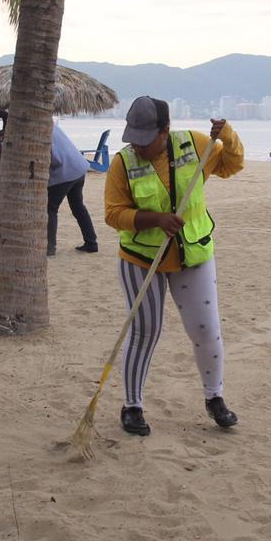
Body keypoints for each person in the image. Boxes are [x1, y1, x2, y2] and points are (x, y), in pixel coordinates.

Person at [104, 95, 244, 437]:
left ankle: (215, 398)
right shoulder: (122, 163)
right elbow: (113, 214)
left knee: (206, 331)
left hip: (192, 256)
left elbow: (232, 164)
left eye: (145, 139)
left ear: (165, 131)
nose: (138, 146)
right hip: (141, 259)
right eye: (132, 137)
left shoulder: (195, 144)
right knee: (144, 333)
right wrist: (153, 219)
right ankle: (132, 406)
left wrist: (228, 134)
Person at [47, 122, 98, 256]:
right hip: (78, 166)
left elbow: (54, 159)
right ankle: (91, 243)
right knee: (78, 206)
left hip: (65, 171)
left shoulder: (38, 129)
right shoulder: (50, 123)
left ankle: (49, 248)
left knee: (50, 208)